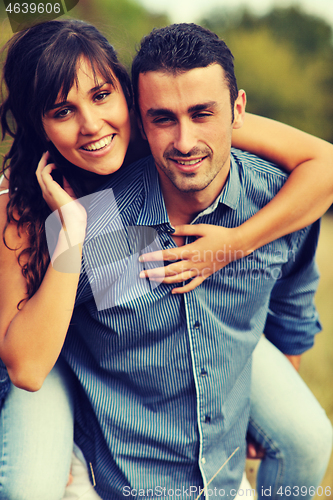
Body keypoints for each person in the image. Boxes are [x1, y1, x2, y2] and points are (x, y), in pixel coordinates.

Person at [0, 19, 332, 500]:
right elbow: (29, 363)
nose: (91, 125)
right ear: (40, 124)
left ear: (127, 95)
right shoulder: (24, 202)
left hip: (177, 309)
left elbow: (321, 165)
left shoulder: (180, 123)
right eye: (62, 110)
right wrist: (72, 232)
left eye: (100, 96)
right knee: (29, 485)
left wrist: (231, 245)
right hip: (47, 337)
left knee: (307, 435)